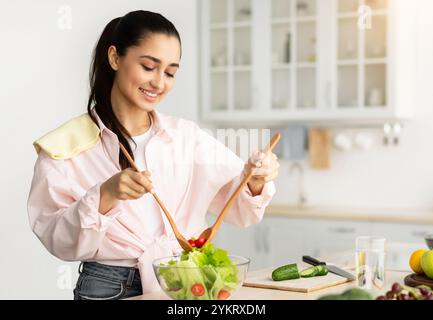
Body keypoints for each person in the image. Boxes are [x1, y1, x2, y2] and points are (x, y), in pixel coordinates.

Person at [27, 10, 279, 300]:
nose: (159, 83)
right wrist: (105, 195)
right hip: (109, 287)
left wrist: (256, 179)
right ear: (115, 58)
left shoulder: (187, 136)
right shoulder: (65, 145)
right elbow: (57, 238)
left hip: (184, 281)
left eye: (170, 72)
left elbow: (240, 209)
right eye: (149, 67)